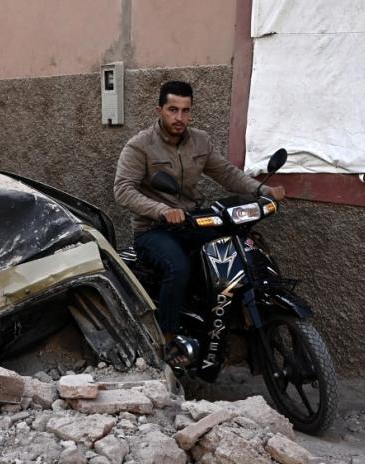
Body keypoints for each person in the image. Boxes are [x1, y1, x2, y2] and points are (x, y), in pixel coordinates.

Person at [113, 80, 285, 363]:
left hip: (193, 222)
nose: (179, 117)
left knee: (241, 244)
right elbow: (123, 190)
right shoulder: (140, 146)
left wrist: (262, 191)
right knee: (176, 267)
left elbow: (227, 173)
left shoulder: (200, 141)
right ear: (159, 109)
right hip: (154, 229)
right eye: (172, 110)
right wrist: (159, 209)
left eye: (185, 110)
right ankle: (168, 341)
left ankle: (239, 314)